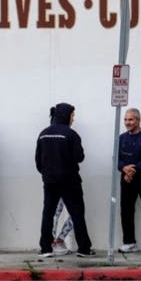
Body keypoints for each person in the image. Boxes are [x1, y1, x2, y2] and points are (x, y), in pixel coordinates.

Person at [36, 103, 94, 258]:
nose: (73, 119)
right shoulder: (70, 134)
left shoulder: (43, 134)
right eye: (72, 115)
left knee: (48, 213)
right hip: (70, 180)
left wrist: (47, 173)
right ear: (66, 115)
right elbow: (79, 157)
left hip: (49, 181)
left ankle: (46, 248)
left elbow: (38, 161)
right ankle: (84, 248)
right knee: (77, 213)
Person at [117, 107, 141, 252]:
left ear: (138, 120)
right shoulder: (121, 138)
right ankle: (129, 242)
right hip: (126, 180)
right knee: (126, 210)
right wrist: (124, 168)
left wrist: (133, 170)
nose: (127, 122)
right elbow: (117, 158)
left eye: (131, 119)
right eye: (125, 119)